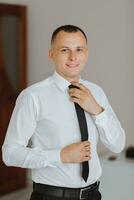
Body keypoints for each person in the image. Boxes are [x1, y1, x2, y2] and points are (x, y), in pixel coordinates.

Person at [2, 25, 125, 200]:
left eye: (79, 49)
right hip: (51, 197)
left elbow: (118, 145)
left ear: (86, 53)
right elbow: (9, 153)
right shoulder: (32, 96)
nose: (73, 57)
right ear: (51, 54)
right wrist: (60, 156)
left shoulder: (96, 92)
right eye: (64, 50)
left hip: (93, 195)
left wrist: (96, 110)